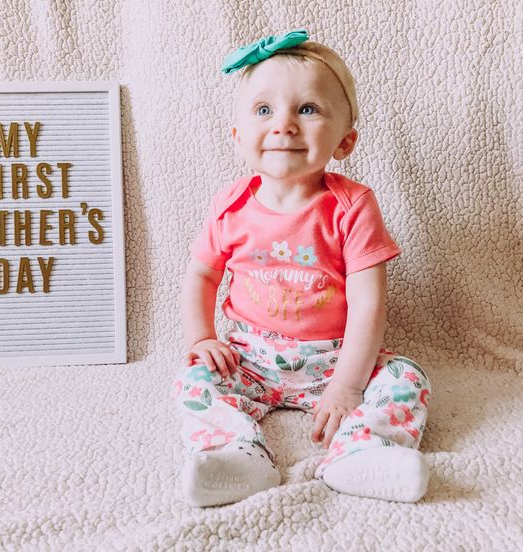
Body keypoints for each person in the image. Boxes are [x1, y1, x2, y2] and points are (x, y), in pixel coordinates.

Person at [172, 30, 431, 507]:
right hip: (250, 355)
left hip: (335, 356)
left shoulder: (351, 206)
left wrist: (348, 384)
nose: (284, 125)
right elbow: (201, 276)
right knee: (195, 378)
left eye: (307, 110)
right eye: (263, 110)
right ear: (237, 135)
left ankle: (362, 453)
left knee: (406, 378)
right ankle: (236, 454)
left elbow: (369, 301)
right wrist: (201, 339)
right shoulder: (229, 206)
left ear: (345, 140)